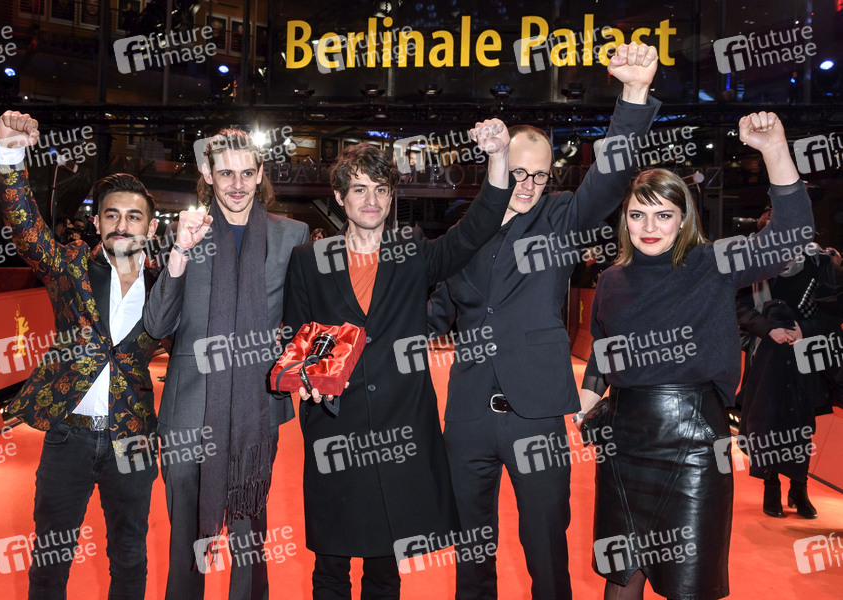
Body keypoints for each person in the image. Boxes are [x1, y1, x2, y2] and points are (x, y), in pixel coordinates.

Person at [426, 41, 660, 599]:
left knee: (546, 549)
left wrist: (633, 92)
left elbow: (609, 176)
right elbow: (430, 313)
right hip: (467, 417)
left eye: (538, 175)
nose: (527, 186)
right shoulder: (463, 233)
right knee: (471, 551)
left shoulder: (559, 219)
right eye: (517, 173)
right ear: (496, 169)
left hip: (536, 418)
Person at [576, 112, 813, 600]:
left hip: (695, 445)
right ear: (624, 219)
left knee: (689, 583)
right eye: (638, 215)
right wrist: (588, 396)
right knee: (622, 576)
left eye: (663, 215)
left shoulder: (712, 263)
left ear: (683, 218)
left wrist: (774, 150)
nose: (649, 227)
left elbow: (789, 237)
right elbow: (603, 348)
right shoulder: (612, 279)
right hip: (623, 443)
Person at [281, 122, 513, 599]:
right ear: (340, 198)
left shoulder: (413, 255)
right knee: (330, 567)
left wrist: (498, 158)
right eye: (359, 189)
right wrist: (304, 378)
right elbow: (297, 334)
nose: (371, 200)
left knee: (384, 572)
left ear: (390, 198)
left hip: (398, 432)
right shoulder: (308, 259)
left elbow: (477, 228)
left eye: (381, 190)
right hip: (334, 429)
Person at [0, 110, 161, 599]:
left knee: (130, 557)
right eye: (112, 215)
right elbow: (27, 230)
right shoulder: (70, 267)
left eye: (133, 216)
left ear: (151, 227)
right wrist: (10, 157)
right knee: (51, 559)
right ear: (97, 221)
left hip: (132, 440)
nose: (122, 225)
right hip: (68, 436)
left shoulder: (166, 285)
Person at [144, 129, 309, 600]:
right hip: (188, 408)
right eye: (226, 173)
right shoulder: (185, 232)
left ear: (260, 175)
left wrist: (297, 360)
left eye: (246, 173)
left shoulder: (291, 235)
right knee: (185, 537)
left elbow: (302, 318)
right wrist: (180, 251)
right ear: (207, 173)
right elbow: (157, 324)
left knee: (249, 533)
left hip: (255, 408)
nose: (237, 185)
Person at [736, 217, 842, 519]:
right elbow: (741, 309)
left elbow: (834, 312)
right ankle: (770, 486)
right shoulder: (753, 266)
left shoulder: (820, 262)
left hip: (806, 353)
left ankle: (799, 488)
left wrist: (804, 330)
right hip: (767, 352)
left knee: (802, 424)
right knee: (766, 421)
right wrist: (768, 329)